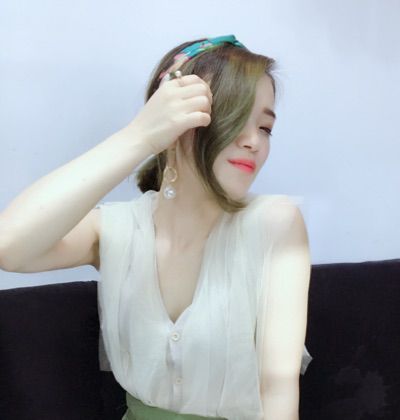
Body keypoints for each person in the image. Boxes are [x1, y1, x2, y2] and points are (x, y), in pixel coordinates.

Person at [0, 35, 313, 419]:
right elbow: (9, 247)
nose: (253, 142)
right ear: (171, 119)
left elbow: (279, 392)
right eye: (232, 116)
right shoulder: (117, 230)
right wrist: (140, 136)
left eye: (265, 127)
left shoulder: (276, 224)